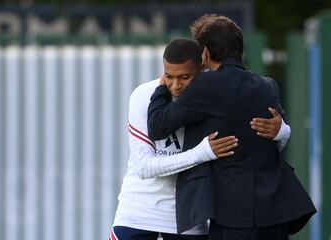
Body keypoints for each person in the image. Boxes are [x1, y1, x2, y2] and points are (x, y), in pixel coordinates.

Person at [147, 15, 316, 239]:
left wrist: (161, 88)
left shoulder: (205, 86)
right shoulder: (266, 86)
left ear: (205, 53)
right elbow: (280, 133)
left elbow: (158, 126)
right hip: (275, 211)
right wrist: (283, 129)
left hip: (234, 215)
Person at [111, 38, 290, 240]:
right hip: (137, 213)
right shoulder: (143, 95)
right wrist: (202, 153)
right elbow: (144, 167)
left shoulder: (217, 96)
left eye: (185, 77)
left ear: (202, 68)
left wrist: (283, 131)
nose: (175, 85)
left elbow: (254, 151)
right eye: (169, 76)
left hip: (189, 218)